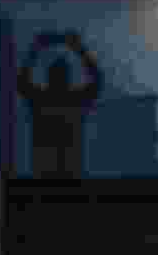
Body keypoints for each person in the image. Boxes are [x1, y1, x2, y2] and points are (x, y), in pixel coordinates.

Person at [17, 30, 103, 179]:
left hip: (46, 168)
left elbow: (21, 83)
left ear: (49, 77)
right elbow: (97, 81)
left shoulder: (41, 99)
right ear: (68, 77)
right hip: (68, 169)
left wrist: (35, 49)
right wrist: (79, 49)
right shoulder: (75, 99)